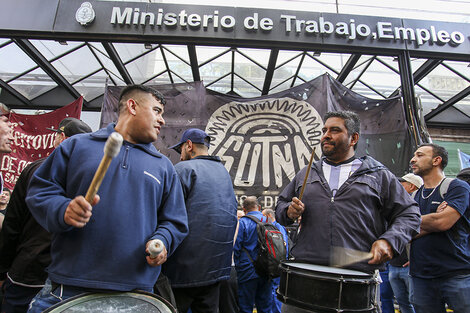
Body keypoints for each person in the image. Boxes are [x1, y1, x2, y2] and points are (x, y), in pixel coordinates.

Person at [24, 85, 189, 312]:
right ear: (132, 106)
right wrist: (63, 209)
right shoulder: (77, 146)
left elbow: (175, 221)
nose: (162, 120)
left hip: (136, 292)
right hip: (69, 287)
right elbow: (40, 191)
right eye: (157, 111)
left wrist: (163, 241)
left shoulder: (164, 166)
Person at [275, 110, 421, 313]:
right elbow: (280, 206)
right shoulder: (306, 173)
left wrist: (389, 240)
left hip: (356, 281)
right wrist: (288, 211)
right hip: (304, 277)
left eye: (335, 130)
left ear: (353, 138)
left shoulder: (378, 175)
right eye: (324, 130)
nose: (326, 135)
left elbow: (409, 213)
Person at [0, 118, 92, 313]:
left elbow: (12, 224)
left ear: (61, 137)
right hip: (67, 276)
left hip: (29, 271)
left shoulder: (36, 169)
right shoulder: (90, 178)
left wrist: (2, 269)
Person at [163, 128, 238, 313]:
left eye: (180, 150)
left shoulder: (183, 169)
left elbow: (166, 215)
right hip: (216, 271)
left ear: (189, 146)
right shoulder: (223, 173)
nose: (180, 156)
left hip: (180, 272)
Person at [409, 143, 470, 313]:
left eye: (420, 155)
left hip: (456, 273)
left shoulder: (457, 187)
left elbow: (443, 222)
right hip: (421, 276)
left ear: (436, 160)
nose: (413, 159)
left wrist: (411, 221)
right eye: (414, 155)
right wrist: (434, 218)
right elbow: (405, 233)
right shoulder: (413, 196)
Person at [387, 173, 423, 313]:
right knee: (402, 302)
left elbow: (422, 229)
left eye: (402, 183)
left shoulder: (417, 207)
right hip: (394, 264)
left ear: (412, 186)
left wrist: (414, 257)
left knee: (417, 302)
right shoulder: (392, 206)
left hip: (410, 266)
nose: (399, 186)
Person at [233, 196, 273, 313]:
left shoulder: (242, 223)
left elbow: (236, 248)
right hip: (267, 270)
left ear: (244, 209)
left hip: (247, 271)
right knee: (265, 306)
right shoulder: (268, 222)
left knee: (245, 306)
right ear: (259, 207)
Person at [262, 208, 289, 313]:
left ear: (268, 216)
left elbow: (282, 246)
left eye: (263, 216)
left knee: (274, 292)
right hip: (278, 264)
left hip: (276, 265)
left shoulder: (275, 227)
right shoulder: (280, 227)